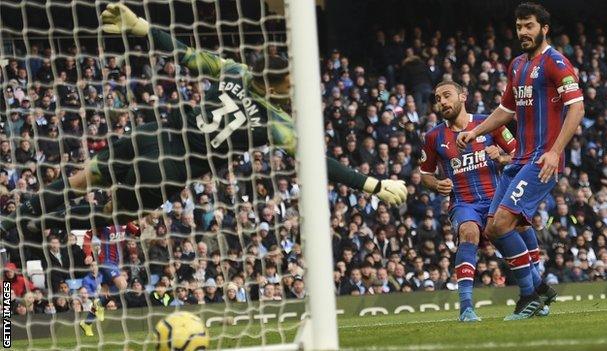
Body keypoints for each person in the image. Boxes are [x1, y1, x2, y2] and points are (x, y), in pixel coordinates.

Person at [0, 3, 406, 239]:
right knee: (114, 214)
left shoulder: (233, 70)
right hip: (171, 169)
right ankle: (37, 229)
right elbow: (319, 163)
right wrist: (373, 184)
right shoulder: (277, 122)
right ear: (279, 87)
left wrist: (141, 26)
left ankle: (19, 218)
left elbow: (183, 52)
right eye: (290, 81)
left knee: (81, 179)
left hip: (150, 135)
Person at [457, 2, 584, 320]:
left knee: (502, 224)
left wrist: (554, 152)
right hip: (518, 159)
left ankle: (530, 295)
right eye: (519, 27)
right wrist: (475, 132)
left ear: (544, 28)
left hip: (541, 161)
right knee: (493, 227)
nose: (523, 32)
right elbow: (506, 111)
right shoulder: (516, 65)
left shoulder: (557, 62)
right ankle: (539, 289)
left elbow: (577, 108)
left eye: (529, 26)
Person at [421, 80, 517, 322]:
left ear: (463, 96)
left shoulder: (489, 123)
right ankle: (466, 308)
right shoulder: (433, 137)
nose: (442, 101)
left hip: (496, 200)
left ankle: (535, 294)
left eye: (446, 95)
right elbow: (425, 175)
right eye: (437, 98)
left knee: (518, 239)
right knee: (469, 232)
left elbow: (518, 154)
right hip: (464, 203)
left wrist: (502, 158)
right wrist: (437, 184)